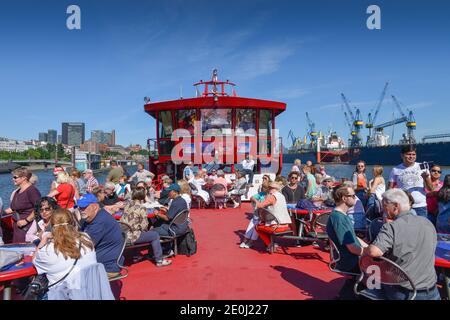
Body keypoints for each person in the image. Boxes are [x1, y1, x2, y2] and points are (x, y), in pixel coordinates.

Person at [363, 189, 440, 300]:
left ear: (395, 207)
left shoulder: (391, 227)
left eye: (385, 205)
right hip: (432, 290)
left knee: (371, 280)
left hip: (405, 292)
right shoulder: (428, 223)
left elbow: (374, 252)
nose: (383, 209)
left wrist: (365, 249)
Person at [33, 209, 97, 291]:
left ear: (52, 227)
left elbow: (34, 260)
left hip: (64, 295)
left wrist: (44, 239)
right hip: (90, 291)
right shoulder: (86, 238)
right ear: (73, 223)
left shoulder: (48, 250)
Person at [326, 185, 368, 299]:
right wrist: (368, 253)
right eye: (353, 196)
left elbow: (353, 237)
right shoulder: (339, 218)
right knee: (380, 267)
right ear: (344, 198)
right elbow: (352, 248)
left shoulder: (342, 216)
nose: (356, 198)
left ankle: (351, 293)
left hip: (349, 255)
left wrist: (368, 247)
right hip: (348, 259)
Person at [120, 188, 172, 267]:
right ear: (143, 196)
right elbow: (144, 226)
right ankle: (159, 260)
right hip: (132, 236)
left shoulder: (127, 205)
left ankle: (137, 255)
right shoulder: (141, 208)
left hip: (123, 233)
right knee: (154, 235)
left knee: (142, 232)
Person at [78, 194, 124, 278]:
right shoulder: (91, 218)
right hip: (100, 262)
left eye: (84, 207)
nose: (81, 210)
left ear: (95, 207)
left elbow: (84, 246)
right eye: (79, 208)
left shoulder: (99, 222)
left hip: (106, 267)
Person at [4, 167, 42, 243]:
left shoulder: (32, 190)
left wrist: (26, 221)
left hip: (27, 227)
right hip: (18, 227)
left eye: (15, 177)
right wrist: (2, 212)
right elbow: (13, 208)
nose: (13, 179)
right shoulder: (18, 191)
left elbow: (39, 207)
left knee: (24, 250)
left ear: (24, 178)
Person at [388, 144, 428, 217]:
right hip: (404, 206)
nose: (411, 156)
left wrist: (426, 178)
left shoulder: (422, 167)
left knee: (421, 227)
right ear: (402, 155)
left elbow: (430, 188)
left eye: (413, 154)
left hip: (421, 206)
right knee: (404, 228)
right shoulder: (395, 170)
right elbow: (390, 190)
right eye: (408, 154)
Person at [151, 184, 189, 256]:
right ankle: (166, 248)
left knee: (152, 231)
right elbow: (173, 214)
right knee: (159, 224)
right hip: (182, 226)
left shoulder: (175, 202)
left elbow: (167, 218)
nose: (168, 193)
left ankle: (161, 252)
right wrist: (166, 211)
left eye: (170, 191)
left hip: (175, 229)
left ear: (175, 192)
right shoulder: (182, 200)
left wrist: (157, 214)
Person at [254, 181, 292, 252]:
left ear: (270, 188)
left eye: (269, 188)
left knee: (257, 227)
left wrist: (255, 200)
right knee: (265, 223)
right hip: (286, 225)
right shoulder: (282, 196)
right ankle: (272, 243)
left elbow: (260, 206)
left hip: (276, 227)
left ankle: (270, 244)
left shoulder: (271, 197)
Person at [239, 175, 271, 249]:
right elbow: (252, 197)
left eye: (265, 188)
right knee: (251, 225)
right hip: (258, 215)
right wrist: (256, 201)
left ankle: (250, 242)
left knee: (255, 227)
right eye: (263, 187)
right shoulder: (261, 194)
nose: (264, 189)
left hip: (265, 217)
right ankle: (245, 241)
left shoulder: (271, 196)